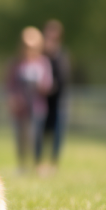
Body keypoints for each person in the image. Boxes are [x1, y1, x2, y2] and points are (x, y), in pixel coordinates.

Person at [7, 27, 53, 174]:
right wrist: (14, 98)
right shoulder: (17, 63)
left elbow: (48, 83)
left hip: (37, 107)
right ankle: (22, 165)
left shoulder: (43, 62)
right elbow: (10, 84)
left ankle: (38, 165)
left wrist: (39, 85)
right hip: (21, 108)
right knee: (21, 136)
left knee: (37, 136)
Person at [40, 20, 71, 175]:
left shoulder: (61, 56)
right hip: (41, 103)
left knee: (56, 135)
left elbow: (62, 79)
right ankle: (39, 163)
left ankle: (53, 164)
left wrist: (49, 89)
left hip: (57, 103)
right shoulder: (39, 55)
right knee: (40, 134)